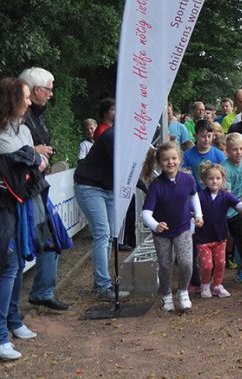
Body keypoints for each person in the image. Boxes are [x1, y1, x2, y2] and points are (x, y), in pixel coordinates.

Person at [0, 77, 45, 360]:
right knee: (8, 264)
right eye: (26, 97)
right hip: (4, 206)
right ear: (11, 99)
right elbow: (18, 162)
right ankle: (1, 334)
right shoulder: (3, 134)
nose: (29, 103)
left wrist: (30, 158)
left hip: (21, 205)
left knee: (16, 265)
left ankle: (13, 321)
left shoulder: (24, 129)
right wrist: (29, 158)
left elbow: (35, 164)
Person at [19, 67, 69, 312]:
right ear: (37, 89)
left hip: (37, 187)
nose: (51, 94)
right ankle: (38, 293)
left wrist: (41, 152)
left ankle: (42, 291)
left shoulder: (35, 116)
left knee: (52, 238)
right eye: (49, 89)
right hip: (26, 191)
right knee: (44, 241)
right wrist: (33, 152)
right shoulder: (21, 117)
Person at [141, 142, 204, 313]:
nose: (171, 162)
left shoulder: (188, 179)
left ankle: (183, 292)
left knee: (186, 263)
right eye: (166, 160)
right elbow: (145, 213)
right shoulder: (156, 185)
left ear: (180, 159)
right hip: (162, 233)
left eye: (174, 158)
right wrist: (156, 225)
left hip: (183, 227)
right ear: (159, 163)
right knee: (165, 265)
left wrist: (199, 215)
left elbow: (193, 197)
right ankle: (166, 295)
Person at [73, 125, 133, 302]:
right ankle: (103, 286)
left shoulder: (127, 137)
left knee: (109, 234)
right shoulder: (112, 135)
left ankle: (101, 281)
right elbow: (122, 167)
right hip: (89, 186)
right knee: (102, 232)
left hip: (108, 188)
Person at [194, 163, 242, 299]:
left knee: (221, 263)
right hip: (203, 238)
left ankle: (217, 285)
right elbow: (191, 209)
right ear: (204, 180)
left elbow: (239, 205)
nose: (214, 181)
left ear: (222, 179)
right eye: (211, 178)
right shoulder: (199, 196)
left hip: (220, 236)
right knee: (207, 265)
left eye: (218, 178)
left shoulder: (225, 196)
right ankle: (205, 284)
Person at [222, 133, 242, 286]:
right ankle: (213, 276)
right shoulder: (224, 168)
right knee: (220, 242)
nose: (239, 152)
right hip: (224, 211)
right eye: (235, 149)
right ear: (227, 150)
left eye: (241, 149)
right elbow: (226, 194)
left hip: (240, 210)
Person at [182, 119, 226, 190]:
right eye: (203, 136)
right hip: (195, 193)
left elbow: (224, 176)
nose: (206, 139)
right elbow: (184, 175)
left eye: (209, 136)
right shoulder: (187, 155)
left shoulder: (219, 155)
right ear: (195, 136)